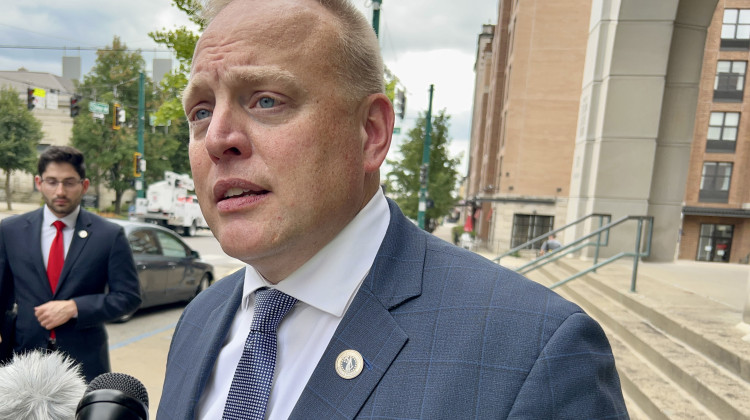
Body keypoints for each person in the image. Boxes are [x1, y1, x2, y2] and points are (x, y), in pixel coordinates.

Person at [158, 0, 628, 418]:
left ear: (372, 132)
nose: (218, 139)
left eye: (265, 100)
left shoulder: (533, 348)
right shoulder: (201, 317)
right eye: (200, 111)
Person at [0, 146, 141, 382]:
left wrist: (75, 307)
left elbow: (128, 297)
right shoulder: (10, 230)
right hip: (23, 359)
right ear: (39, 182)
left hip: (84, 363)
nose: (60, 191)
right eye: (52, 181)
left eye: (69, 182)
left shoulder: (109, 235)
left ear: (84, 185)